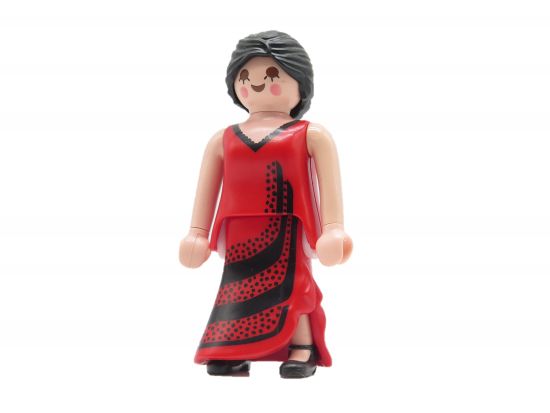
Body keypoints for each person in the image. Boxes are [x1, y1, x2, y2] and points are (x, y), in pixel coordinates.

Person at [179, 30, 352, 378]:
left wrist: (334, 229)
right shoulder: (222, 139)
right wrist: (197, 232)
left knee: (293, 284)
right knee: (237, 288)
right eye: (244, 76)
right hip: (239, 230)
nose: (255, 83)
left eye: (272, 74)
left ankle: (301, 347)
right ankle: (233, 348)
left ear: (299, 82)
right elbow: (207, 188)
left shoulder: (311, 134)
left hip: (289, 225)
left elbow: (329, 185)